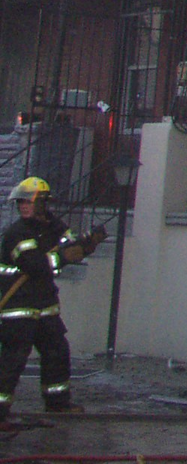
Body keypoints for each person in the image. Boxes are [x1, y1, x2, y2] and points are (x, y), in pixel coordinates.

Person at [0, 178, 103, 426]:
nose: (23, 206)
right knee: (14, 358)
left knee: (57, 350)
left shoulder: (54, 227)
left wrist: (86, 245)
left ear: (43, 203)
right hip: (18, 303)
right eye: (21, 202)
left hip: (45, 301)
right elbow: (35, 265)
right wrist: (64, 257)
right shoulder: (17, 233)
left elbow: (68, 245)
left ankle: (58, 403)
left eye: (28, 201)